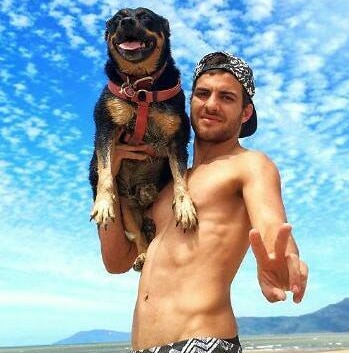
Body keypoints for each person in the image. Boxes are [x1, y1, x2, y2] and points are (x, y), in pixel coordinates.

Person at [97, 52, 308, 353]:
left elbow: (273, 226)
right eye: (203, 94)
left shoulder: (249, 165)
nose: (211, 105)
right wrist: (108, 178)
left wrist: (283, 261)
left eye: (226, 97)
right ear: (190, 101)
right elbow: (116, 261)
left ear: (245, 112)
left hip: (203, 344)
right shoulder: (167, 185)